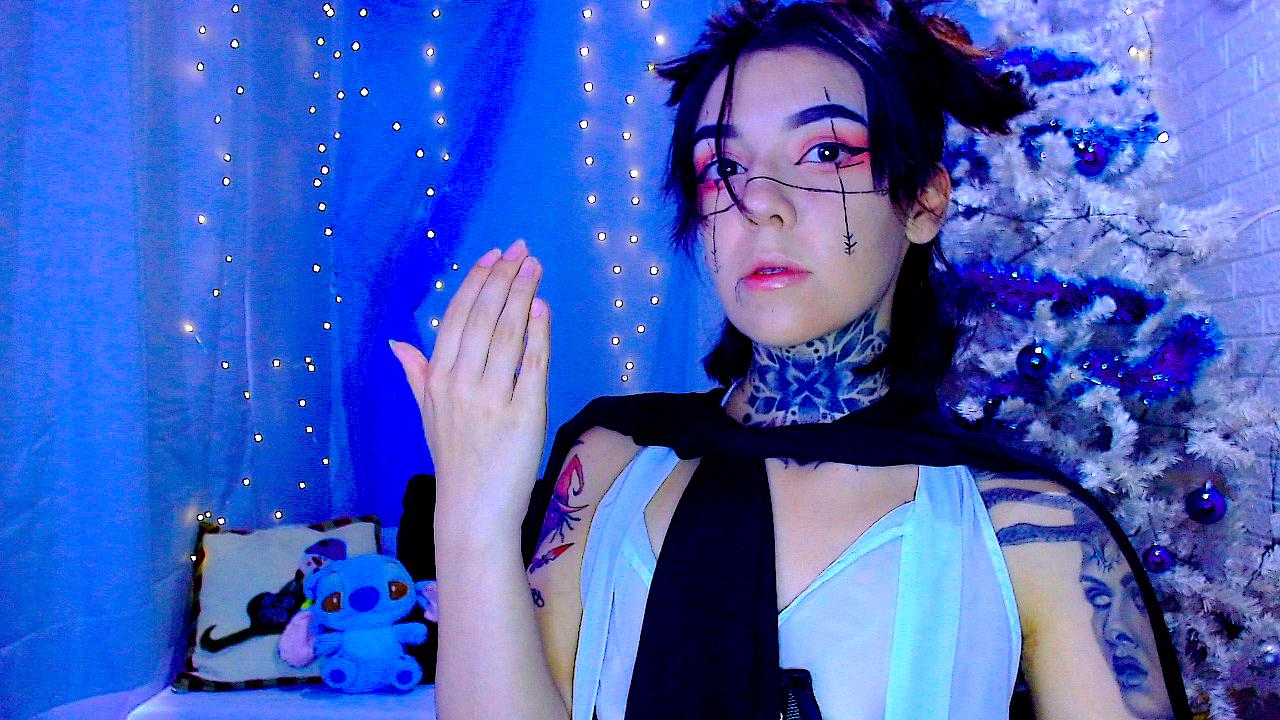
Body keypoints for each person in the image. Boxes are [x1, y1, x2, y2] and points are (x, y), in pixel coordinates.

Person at [389, 1, 1192, 718]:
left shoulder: (1034, 530)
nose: (760, 203)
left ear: (923, 200)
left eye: (826, 151)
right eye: (722, 167)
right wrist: (472, 517)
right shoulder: (607, 465)